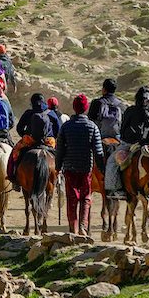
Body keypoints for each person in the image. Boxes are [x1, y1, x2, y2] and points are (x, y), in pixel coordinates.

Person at [56, 94, 106, 235]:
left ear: (74, 108)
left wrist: (58, 167)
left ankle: (73, 228)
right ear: (86, 109)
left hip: (70, 168)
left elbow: (60, 149)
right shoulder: (92, 127)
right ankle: (83, 227)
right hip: (86, 169)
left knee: (72, 198)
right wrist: (101, 169)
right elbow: (98, 151)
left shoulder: (66, 127)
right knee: (85, 198)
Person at [104, 86, 149, 198]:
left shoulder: (131, 110)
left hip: (130, 144)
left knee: (112, 162)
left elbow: (123, 129)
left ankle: (115, 189)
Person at [8, 93, 57, 186]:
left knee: (15, 152)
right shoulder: (51, 113)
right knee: (59, 155)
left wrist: (25, 135)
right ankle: (60, 175)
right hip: (48, 141)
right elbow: (57, 130)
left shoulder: (28, 113)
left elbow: (19, 128)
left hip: (30, 139)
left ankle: (13, 176)